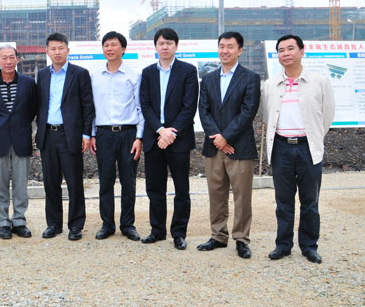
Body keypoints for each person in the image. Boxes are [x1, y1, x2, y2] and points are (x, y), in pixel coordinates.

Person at [263, 34, 335, 264]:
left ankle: (309, 246)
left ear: (302, 51)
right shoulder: (271, 85)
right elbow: (267, 116)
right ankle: (283, 245)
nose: (286, 53)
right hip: (281, 148)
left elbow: (327, 115)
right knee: (283, 202)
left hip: (307, 148)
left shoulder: (319, 81)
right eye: (281, 50)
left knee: (310, 201)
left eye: (290, 48)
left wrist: (312, 138)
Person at [197, 31, 260, 259]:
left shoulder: (250, 78)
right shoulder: (209, 78)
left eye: (230, 46)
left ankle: (241, 238)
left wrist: (228, 137)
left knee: (242, 196)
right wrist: (217, 138)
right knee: (216, 193)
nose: (225, 50)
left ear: (239, 50)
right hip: (214, 147)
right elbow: (203, 110)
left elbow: (248, 112)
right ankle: (218, 236)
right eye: (221, 46)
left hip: (239, 147)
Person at [139, 28, 198, 250]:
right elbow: (145, 105)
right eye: (161, 43)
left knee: (181, 188)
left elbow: (189, 107)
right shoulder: (147, 73)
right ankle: (157, 230)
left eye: (169, 43)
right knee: (155, 188)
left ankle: (179, 233)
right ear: (155, 46)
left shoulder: (188, 71)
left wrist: (171, 133)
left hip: (178, 139)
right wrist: (160, 130)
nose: (165, 47)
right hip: (154, 139)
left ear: (176, 46)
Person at [35, 32, 95, 241]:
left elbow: (88, 106)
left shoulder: (80, 74)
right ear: (47, 51)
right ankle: (54, 224)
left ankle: (76, 225)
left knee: (74, 182)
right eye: (53, 48)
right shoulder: (42, 75)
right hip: (48, 136)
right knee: (50, 182)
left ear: (68, 50)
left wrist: (87, 134)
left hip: (71, 135)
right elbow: (39, 105)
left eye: (61, 48)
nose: (57, 52)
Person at [90, 31, 144, 241]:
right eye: (106, 45)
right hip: (103, 134)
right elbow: (91, 109)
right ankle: (107, 224)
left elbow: (140, 108)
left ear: (123, 49)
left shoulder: (133, 76)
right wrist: (92, 134)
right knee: (105, 181)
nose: (109, 49)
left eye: (114, 45)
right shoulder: (95, 77)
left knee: (128, 181)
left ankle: (128, 224)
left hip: (128, 134)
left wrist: (139, 137)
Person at [0, 45, 37, 239]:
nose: (8, 61)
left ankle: (19, 220)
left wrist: (18, 126)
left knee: (21, 183)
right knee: (0, 184)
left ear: (17, 59)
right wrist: (1, 127)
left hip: (21, 137)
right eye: (4, 58)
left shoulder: (29, 84)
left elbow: (32, 110)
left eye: (12, 57)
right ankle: (3, 222)